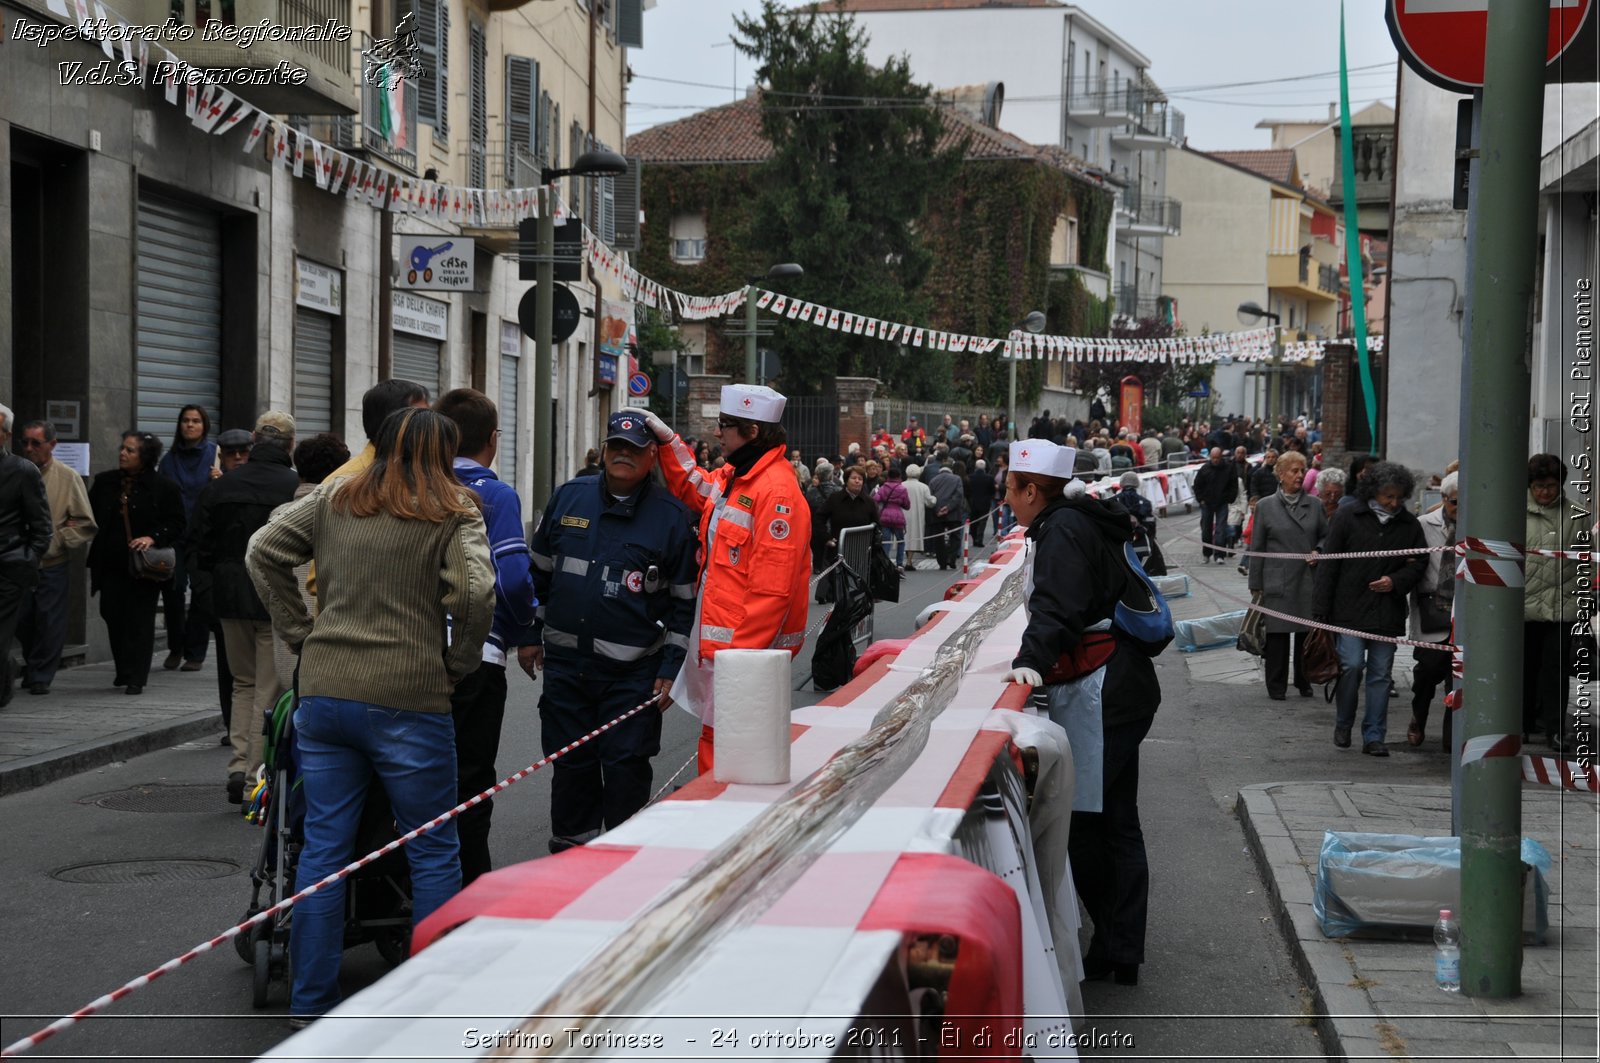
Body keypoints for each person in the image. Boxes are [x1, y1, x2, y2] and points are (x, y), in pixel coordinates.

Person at [247, 407, 494, 1025]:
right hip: (410, 695)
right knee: (433, 849)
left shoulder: (336, 495)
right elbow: (474, 592)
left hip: (326, 691)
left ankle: (312, 1005)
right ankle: (426, 1003)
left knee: (324, 850)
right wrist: (457, 661)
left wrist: (301, 629)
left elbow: (263, 549)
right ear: (444, 452)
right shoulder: (453, 508)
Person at [999, 438, 1160, 987]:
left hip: (1104, 690)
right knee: (1116, 819)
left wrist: (1030, 661)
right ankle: (1120, 949)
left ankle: (1114, 946)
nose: (1007, 500)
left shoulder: (1064, 529)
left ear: (1030, 490)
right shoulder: (1074, 520)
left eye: (1010, 490)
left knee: (1092, 823)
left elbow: (1056, 606)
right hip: (1121, 685)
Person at [619, 387, 812, 776]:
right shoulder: (737, 477)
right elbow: (694, 484)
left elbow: (771, 593)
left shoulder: (775, 493)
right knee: (718, 744)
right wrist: (669, 441)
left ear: (753, 432)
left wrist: (739, 664)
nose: (717, 433)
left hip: (744, 657)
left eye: (725, 426)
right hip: (731, 655)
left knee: (729, 754)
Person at [437, 391, 540, 880]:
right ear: (493, 440)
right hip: (478, 658)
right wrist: (525, 631)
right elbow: (514, 578)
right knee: (471, 777)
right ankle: (468, 884)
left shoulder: (410, 486)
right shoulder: (494, 495)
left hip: (411, 655)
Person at [192, 412, 300, 803]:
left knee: (242, 683)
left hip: (227, 595)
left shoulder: (221, 486)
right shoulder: (293, 487)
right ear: (290, 444)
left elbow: (200, 546)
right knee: (268, 689)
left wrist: (208, 594)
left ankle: (238, 765)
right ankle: (256, 774)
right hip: (271, 594)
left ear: (254, 440)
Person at [1312, 462, 1427, 756]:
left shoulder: (1409, 525)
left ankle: (1374, 735)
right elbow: (1330, 563)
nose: (1394, 503)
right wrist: (1321, 611)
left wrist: (1395, 581)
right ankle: (1343, 722)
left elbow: (1418, 563)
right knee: (1350, 666)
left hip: (1386, 612)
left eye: (1399, 497)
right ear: (1374, 492)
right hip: (1348, 609)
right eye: (1388, 496)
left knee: (1380, 674)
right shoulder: (1348, 516)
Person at [87, 431, 186, 696]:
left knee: (140, 621)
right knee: (112, 613)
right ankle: (123, 668)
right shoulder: (105, 482)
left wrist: (153, 537)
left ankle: (136, 677)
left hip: (144, 567)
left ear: (145, 457)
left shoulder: (164, 487)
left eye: (130, 450)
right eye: (123, 448)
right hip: (110, 562)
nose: (123, 453)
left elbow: (177, 523)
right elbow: (90, 515)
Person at [14, 420, 97, 696]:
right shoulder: (14, 472)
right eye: (24, 442)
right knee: (23, 619)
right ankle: (32, 663)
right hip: (17, 562)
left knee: (50, 621)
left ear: (52, 445)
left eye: (35, 443)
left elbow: (85, 523)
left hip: (51, 564)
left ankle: (40, 675)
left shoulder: (67, 477)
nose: (29, 448)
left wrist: (59, 540)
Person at [1247, 451, 1327, 701]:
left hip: (1307, 577)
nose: (1300, 475)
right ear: (1280, 474)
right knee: (1277, 635)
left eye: (1302, 470)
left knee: (1306, 635)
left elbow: (1326, 536)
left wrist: (1319, 550)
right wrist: (1256, 584)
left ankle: (1305, 681)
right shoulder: (1265, 506)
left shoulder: (1315, 505)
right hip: (1277, 578)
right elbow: (1257, 547)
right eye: (1294, 470)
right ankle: (1276, 685)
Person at [156, 405, 219, 671]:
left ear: (204, 426)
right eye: (185, 420)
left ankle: (195, 653)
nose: (190, 425)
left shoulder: (215, 454)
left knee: (201, 594)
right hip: (175, 535)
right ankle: (175, 647)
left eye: (195, 421)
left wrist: (220, 477)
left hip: (204, 534)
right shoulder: (169, 460)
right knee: (173, 591)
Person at [1524, 454, 1580, 752]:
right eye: (1539, 486)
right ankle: (1521, 724)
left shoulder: (1576, 515)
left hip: (1562, 608)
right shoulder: (1512, 513)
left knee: (1556, 670)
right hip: (1522, 607)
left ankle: (1555, 728)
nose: (1545, 492)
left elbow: (1588, 562)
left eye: (1551, 485)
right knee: (1523, 667)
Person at [0, 405, 52, 707]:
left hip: (8, 567)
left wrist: (27, 559)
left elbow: (42, 526)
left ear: (6, 435)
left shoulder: (22, 471)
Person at [1409, 471, 1457, 750]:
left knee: (1457, 677)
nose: (1459, 510)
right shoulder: (1424, 525)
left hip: (1463, 612)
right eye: (1454, 503)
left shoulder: (1474, 526)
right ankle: (1419, 716)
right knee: (1428, 673)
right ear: (1443, 500)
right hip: (1431, 609)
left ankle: (1451, 737)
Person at [823, 465, 880, 561]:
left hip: (862, 552)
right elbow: (819, 519)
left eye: (860, 479)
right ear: (846, 480)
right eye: (853, 478)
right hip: (838, 550)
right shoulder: (835, 498)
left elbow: (876, 524)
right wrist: (826, 538)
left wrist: (873, 544)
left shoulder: (869, 501)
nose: (857, 481)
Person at [1191, 447, 1237, 564]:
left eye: (1217, 458)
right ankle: (1206, 553)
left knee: (1221, 529)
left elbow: (1233, 484)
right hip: (1207, 503)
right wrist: (1200, 499)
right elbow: (1197, 485)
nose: (1215, 460)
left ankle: (1219, 554)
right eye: (1213, 458)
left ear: (1221, 456)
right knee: (1206, 529)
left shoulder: (1228, 468)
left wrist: (1230, 498)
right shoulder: (1205, 469)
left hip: (1222, 502)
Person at [926, 460, 969, 570]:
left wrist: (938, 509)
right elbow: (959, 495)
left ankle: (942, 562)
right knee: (955, 536)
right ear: (951, 469)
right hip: (954, 513)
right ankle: (952, 558)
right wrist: (948, 507)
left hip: (938, 514)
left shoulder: (933, 480)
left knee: (939, 539)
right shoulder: (957, 479)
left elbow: (930, 497)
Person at [805, 460, 841, 573]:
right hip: (835, 528)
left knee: (818, 554)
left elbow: (807, 511)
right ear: (831, 475)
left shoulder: (811, 492)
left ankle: (817, 568)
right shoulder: (839, 491)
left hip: (816, 528)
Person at [874, 465, 910, 570]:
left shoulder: (883, 487)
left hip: (884, 516)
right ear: (899, 476)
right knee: (900, 541)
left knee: (886, 541)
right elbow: (907, 505)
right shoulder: (902, 489)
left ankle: (885, 563)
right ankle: (899, 564)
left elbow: (875, 499)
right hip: (898, 517)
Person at [902, 464, 933, 564]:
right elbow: (929, 502)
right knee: (914, 536)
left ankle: (907, 560)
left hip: (903, 514)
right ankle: (909, 560)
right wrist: (935, 499)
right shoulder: (923, 487)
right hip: (917, 515)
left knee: (905, 536)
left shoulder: (901, 485)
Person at [966, 458, 996, 548]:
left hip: (973, 503)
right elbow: (992, 490)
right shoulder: (989, 478)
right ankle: (980, 538)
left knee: (973, 521)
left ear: (975, 466)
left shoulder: (970, 477)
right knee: (983, 522)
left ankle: (974, 537)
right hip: (985, 502)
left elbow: (968, 491)